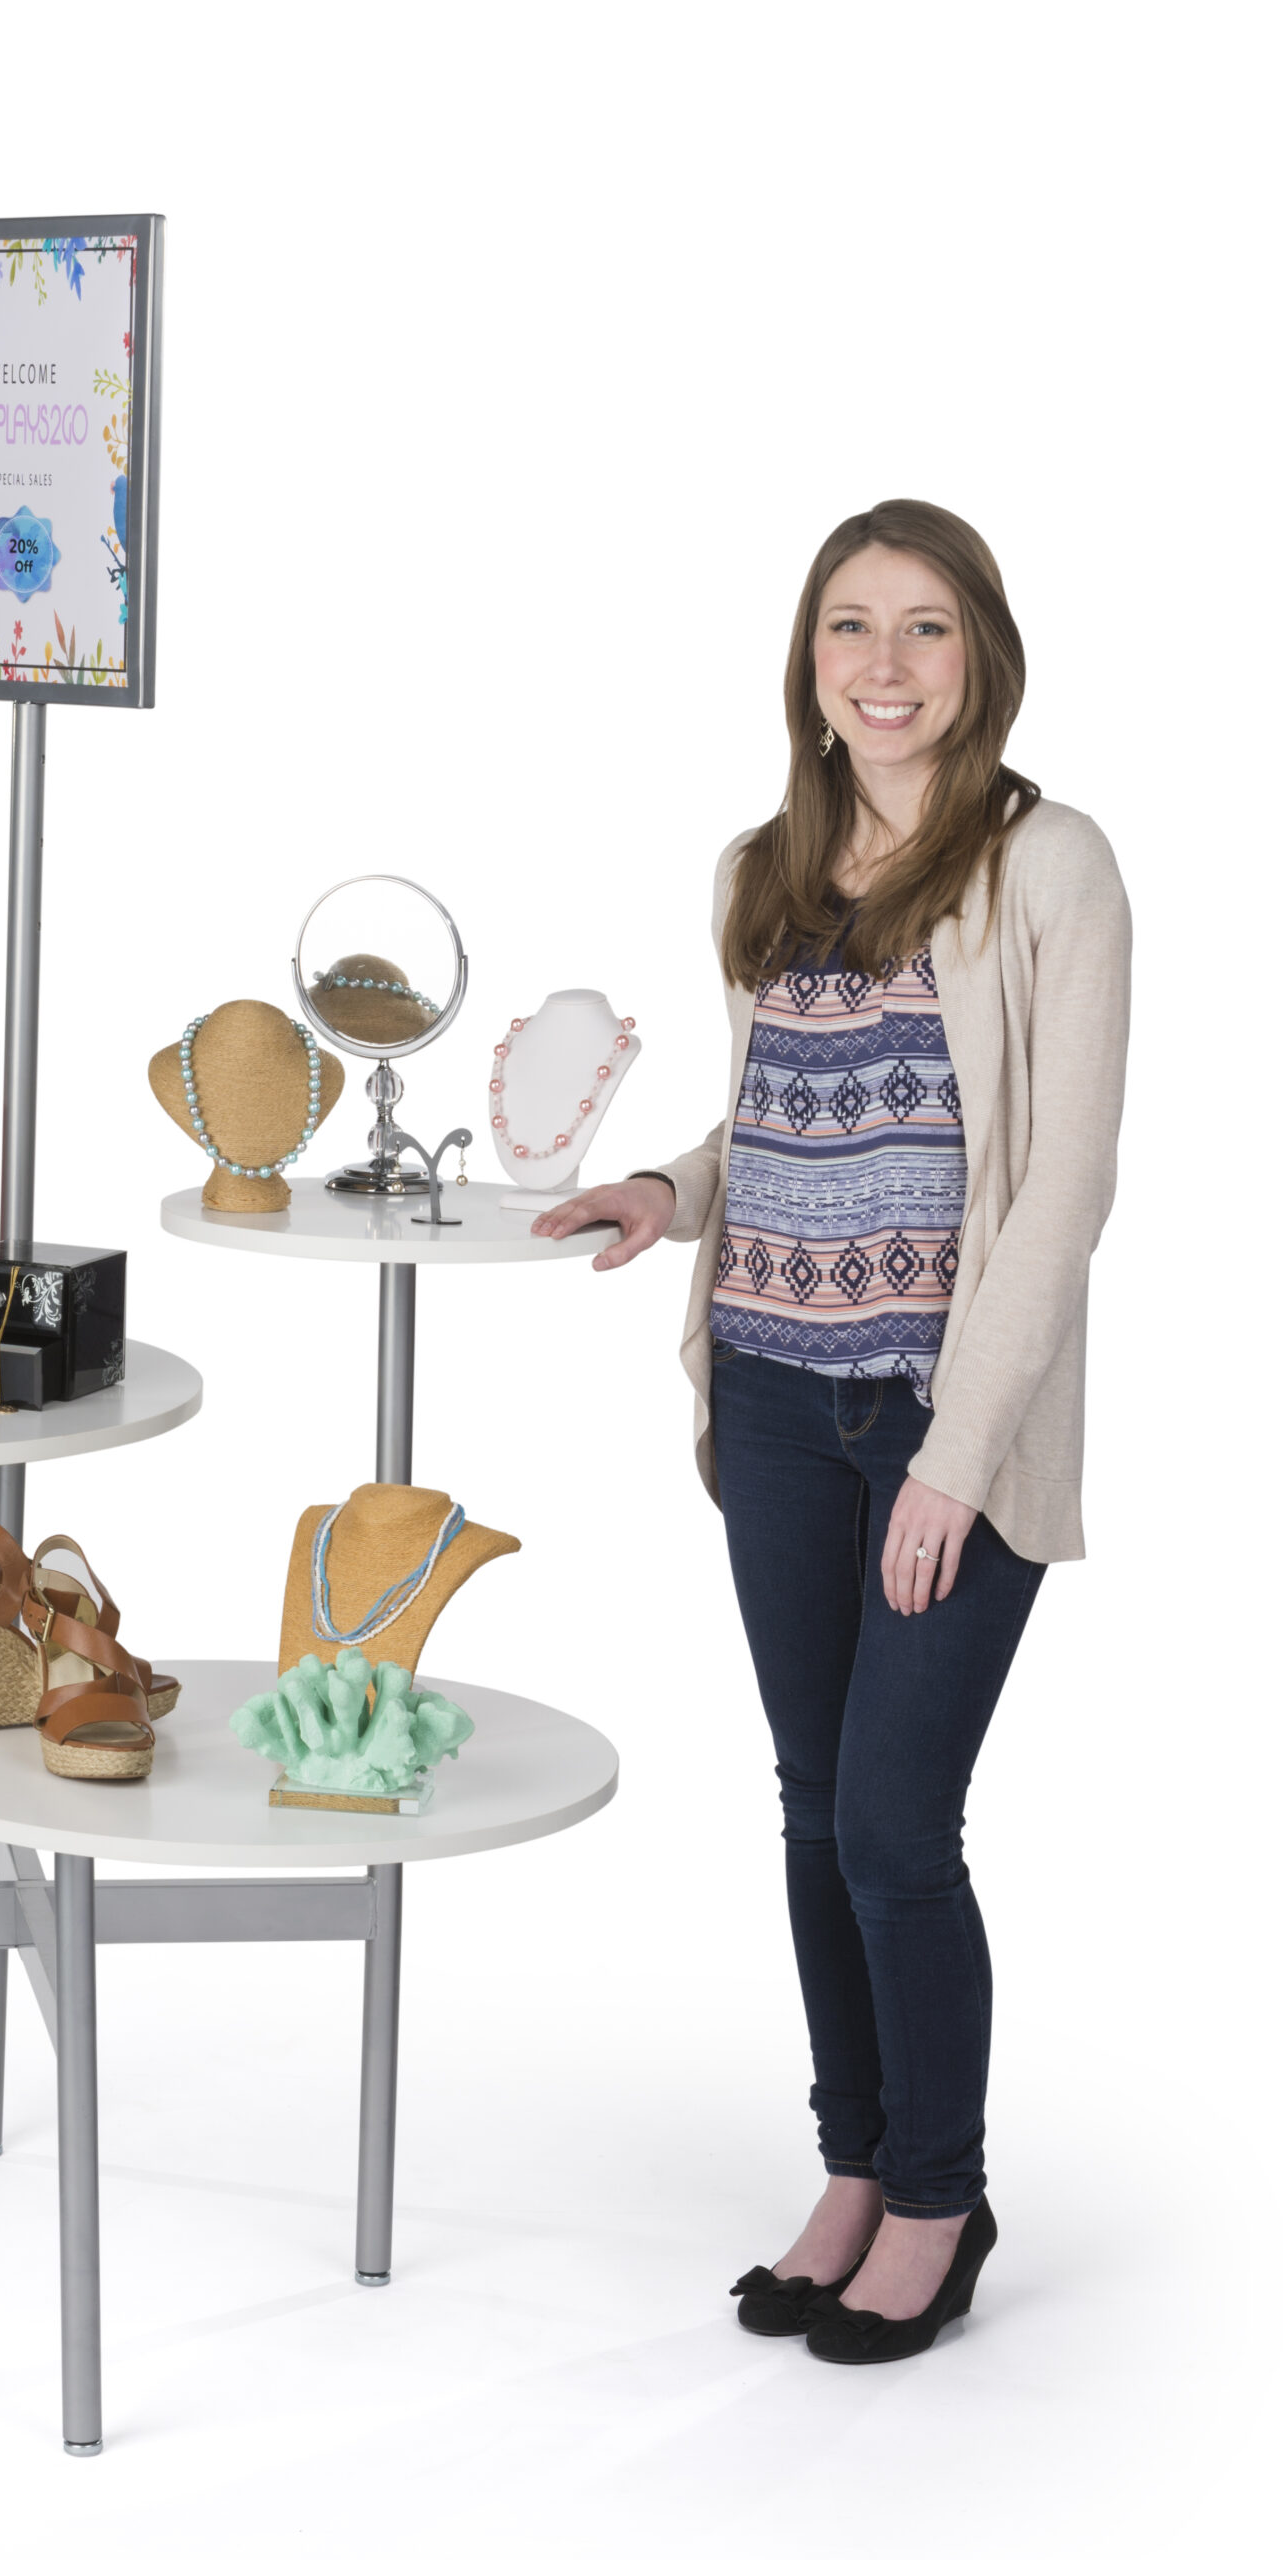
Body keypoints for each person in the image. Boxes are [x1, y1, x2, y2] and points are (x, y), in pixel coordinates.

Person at [534, 499, 1131, 2364]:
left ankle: (938, 2200)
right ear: (806, 664)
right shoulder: (763, 870)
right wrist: (668, 1191)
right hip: (776, 1397)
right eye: (849, 626)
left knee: (891, 1824)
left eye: (924, 627)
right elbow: (780, 1117)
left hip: (945, 1421)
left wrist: (957, 1455)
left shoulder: (1048, 865)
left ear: (981, 657)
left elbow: (1060, 1185)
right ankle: (852, 2170)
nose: (884, 664)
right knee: (811, 1807)